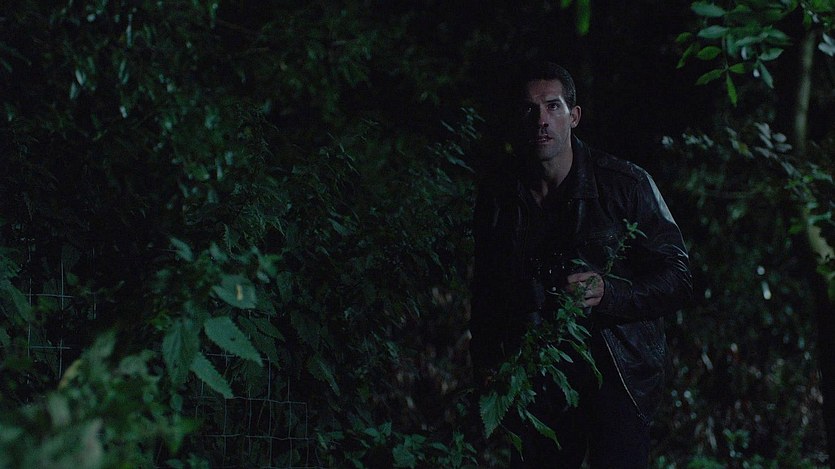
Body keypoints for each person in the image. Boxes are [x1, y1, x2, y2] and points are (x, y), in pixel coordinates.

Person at [469, 61, 692, 468]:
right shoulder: (499, 196)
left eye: (552, 106)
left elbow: (678, 276)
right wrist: (486, 363)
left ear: (574, 116)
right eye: (530, 109)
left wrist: (609, 293)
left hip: (618, 372)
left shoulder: (625, 185)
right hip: (538, 374)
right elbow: (486, 289)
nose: (541, 120)